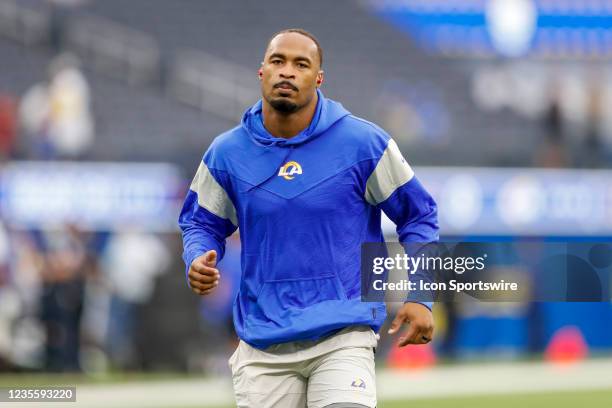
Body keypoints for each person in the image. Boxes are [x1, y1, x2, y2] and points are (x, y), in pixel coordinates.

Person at [179, 28, 438, 408]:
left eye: (301, 64)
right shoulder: (227, 152)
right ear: (261, 72)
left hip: (343, 334)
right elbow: (200, 223)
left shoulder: (363, 143)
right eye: (278, 61)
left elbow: (420, 215)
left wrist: (421, 295)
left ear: (318, 79)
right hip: (263, 342)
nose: (287, 71)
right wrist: (197, 256)